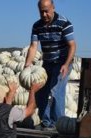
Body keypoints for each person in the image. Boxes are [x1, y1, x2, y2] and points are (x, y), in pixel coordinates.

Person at [24, 0, 77, 131]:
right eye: (41, 11)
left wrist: (65, 64)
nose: (44, 14)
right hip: (47, 63)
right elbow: (33, 47)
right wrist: (27, 65)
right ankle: (46, 122)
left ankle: (58, 125)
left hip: (63, 63)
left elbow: (72, 45)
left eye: (46, 10)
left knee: (55, 92)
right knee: (41, 91)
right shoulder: (37, 26)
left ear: (53, 8)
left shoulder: (64, 23)